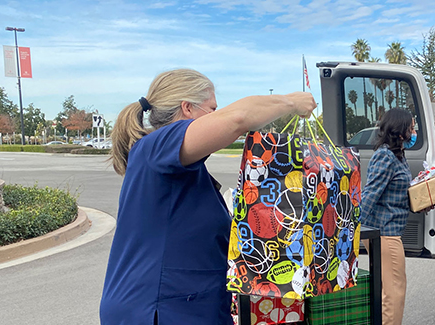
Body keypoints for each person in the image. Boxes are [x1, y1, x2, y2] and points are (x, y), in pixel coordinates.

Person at [100, 69, 315, 324]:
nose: (216, 116)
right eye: (212, 109)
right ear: (187, 108)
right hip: (159, 310)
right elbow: (238, 119)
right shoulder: (160, 145)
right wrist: (290, 102)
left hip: (184, 306)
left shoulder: (179, 163)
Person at [359, 108, 416, 325]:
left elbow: (394, 194)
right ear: (400, 130)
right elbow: (370, 195)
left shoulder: (397, 156)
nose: (413, 130)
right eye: (411, 126)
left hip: (390, 232)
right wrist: (348, 231)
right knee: (394, 294)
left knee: (390, 291)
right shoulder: (385, 156)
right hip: (385, 234)